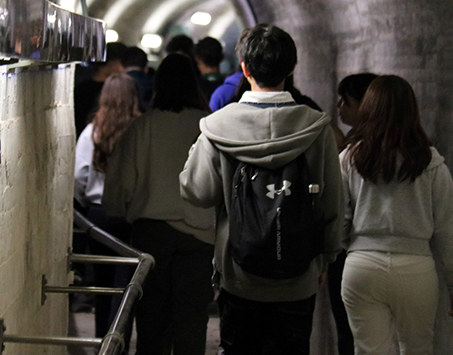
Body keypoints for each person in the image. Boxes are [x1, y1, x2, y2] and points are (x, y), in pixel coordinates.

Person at [180, 23, 342, 355]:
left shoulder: (218, 126)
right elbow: (332, 202)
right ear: (292, 68)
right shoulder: (316, 127)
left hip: (238, 272)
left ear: (244, 68)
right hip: (299, 275)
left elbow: (196, 191)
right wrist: (325, 257)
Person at [340, 75, 453, 355]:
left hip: (362, 266)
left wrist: (336, 254)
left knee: (368, 350)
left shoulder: (350, 159)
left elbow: (341, 219)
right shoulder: (432, 164)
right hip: (415, 270)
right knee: (418, 349)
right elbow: (448, 230)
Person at [102, 53, 215, 355]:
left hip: (151, 234)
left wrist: (122, 210)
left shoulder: (143, 127)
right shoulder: (208, 127)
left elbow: (121, 185)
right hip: (200, 235)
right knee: (192, 319)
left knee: (151, 319)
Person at [74, 73, 141, 344]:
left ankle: (103, 340)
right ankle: (120, 342)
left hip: (98, 217)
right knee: (128, 284)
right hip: (132, 215)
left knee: (102, 285)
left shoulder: (92, 131)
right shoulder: (141, 129)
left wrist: (84, 200)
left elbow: (79, 175)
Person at [326, 72, 378, 355]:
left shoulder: (351, 154)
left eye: (345, 100)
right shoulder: (417, 151)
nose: (338, 106)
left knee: (349, 334)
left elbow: (341, 209)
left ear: (364, 105)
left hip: (351, 257)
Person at [74, 42, 127, 137]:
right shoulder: (116, 91)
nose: (124, 69)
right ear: (113, 64)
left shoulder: (81, 87)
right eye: (123, 64)